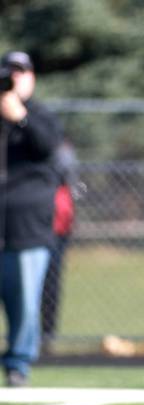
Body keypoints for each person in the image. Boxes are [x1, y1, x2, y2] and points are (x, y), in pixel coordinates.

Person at [0, 51, 62, 387]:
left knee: (24, 300)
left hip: (27, 227)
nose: (14, 79)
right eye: (9, 73)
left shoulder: (40, 115)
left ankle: (18, 363)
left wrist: (19, 117)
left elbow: (46, 146)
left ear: (32, 77)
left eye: (21, 73)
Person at [41, 140, 82, 353]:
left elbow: (70, 180)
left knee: (50, 281)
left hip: (55, 227)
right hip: (24, 226)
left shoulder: (60, 150)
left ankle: (46, 336)